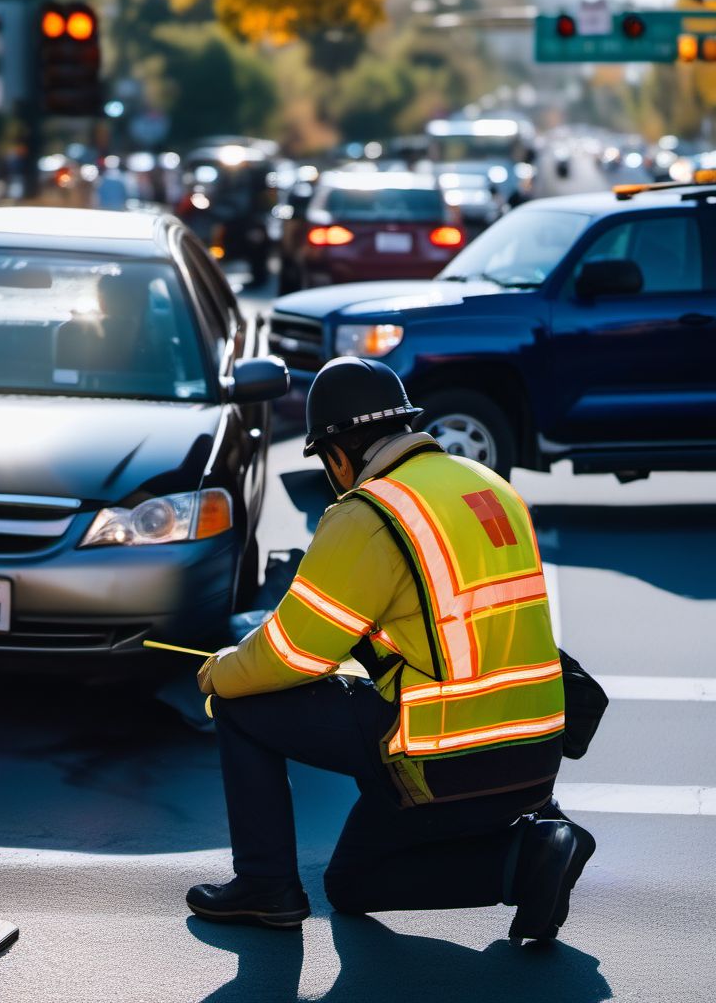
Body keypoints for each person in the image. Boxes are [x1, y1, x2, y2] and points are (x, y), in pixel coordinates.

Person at [187, 357, 595, 943]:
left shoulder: (370, 512)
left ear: (338, 453)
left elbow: (291, 657)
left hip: (442, 755)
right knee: (352, 885)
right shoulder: (490, 486)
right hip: (534, 757)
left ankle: (264, 886)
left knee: (239, 705)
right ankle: (531, 854)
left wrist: (218, 672)